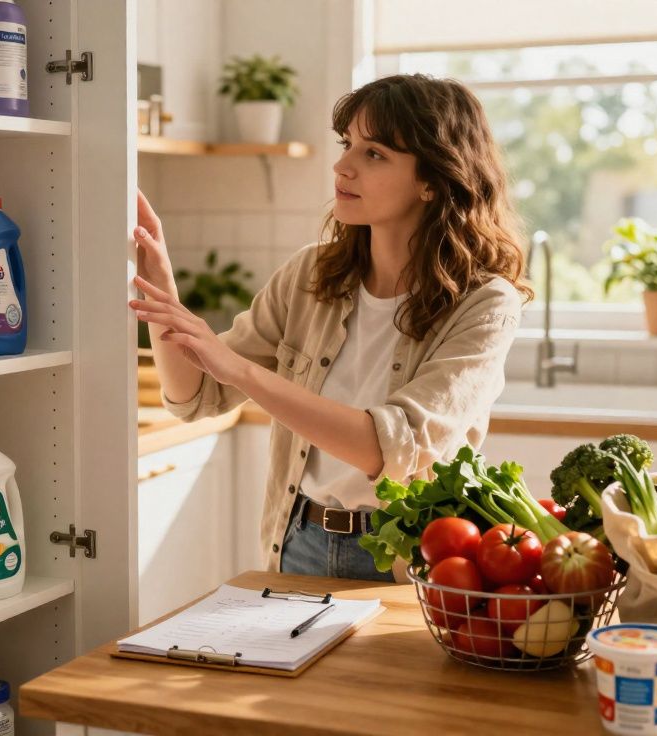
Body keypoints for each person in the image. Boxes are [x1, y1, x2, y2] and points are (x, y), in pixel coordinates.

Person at [130, 74, 532, 582]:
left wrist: (242, 371)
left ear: (432, 180)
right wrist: (159, 285)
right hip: (299, 538)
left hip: (411, 558)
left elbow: (390, 448)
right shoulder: (310, 275)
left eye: (375, 154)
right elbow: (197, 395)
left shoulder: (485, 303)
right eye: (348, 145)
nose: (343, 166)